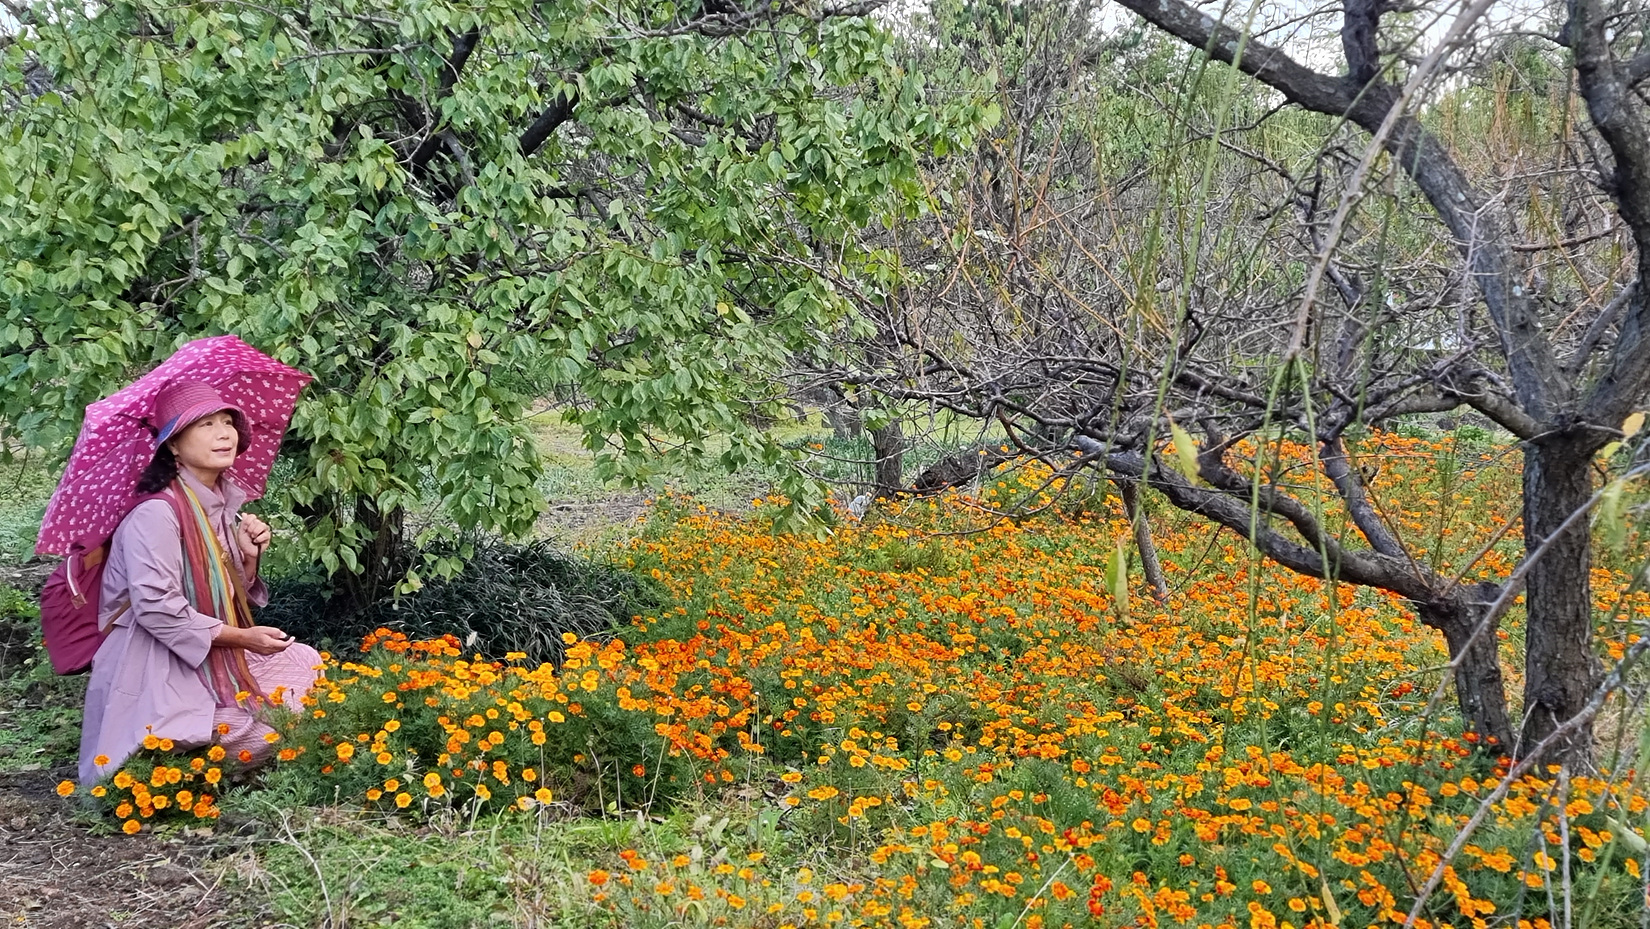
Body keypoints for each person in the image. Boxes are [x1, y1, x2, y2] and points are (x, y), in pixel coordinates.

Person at [78, 381, 321, 786]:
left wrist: (247, 555)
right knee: (271, 725)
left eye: (227, 422)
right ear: (173, 444)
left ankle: (209, 752)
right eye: (205, 425)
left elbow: (226, 595)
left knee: (305, 663)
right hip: (154, 658)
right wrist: (244, 639)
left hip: (205, 647)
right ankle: (174, 765)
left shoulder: (214, 504)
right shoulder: (155, 515)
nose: (224, 434)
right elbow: (157, 609)